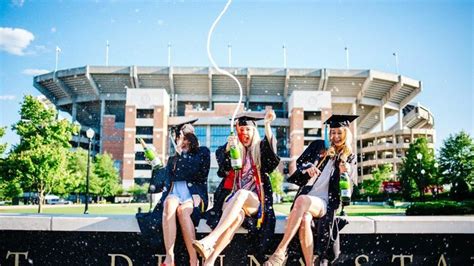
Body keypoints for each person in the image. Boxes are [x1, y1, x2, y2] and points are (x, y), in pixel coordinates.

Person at [264, 114, 358, 266]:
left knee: (301, 201)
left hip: (326, 203)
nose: (336, 136)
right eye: (333, 132)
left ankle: (280, 251)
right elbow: (301, 163)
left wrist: (345, 173)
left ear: (346, 134)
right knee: (305, 219)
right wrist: (308, 168)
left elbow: (348, 192)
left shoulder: (349, 158)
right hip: (308, 199)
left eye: (339, 133)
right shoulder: (319, 146)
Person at [193, 111, 280, 265]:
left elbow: (272, 156)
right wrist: (229, 145)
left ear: (254, 131)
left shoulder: (260, 149)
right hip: (233, 202)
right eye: (241, 130)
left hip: (255, 202)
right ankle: (210, 261)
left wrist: (267, 124)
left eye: (248, 130)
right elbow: (223, 167)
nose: (244, 133)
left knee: (241, 194)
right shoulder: (234, 152)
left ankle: (211, 240)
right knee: (236, 217)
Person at [138, 118, 210, 266]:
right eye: (181, 137)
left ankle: (193, 259)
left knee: (183, 211)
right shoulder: (173, 159)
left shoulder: (202, 152)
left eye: (187, 137)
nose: (184, 141)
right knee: (170, 204)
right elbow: (161, 184)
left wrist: (182, 155)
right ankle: (169, 258)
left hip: (193, 195)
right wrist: (155, 164)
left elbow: (197, 173)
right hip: (174, 193)